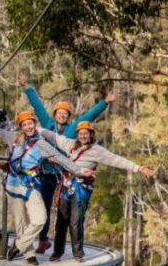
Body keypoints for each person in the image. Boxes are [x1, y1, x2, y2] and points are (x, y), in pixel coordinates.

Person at [18, 73, 118, 254]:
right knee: (44, 207)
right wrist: (26, 85)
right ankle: (42, 240)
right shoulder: (48, 124)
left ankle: (66, 247)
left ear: (68, 116)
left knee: (65, 213)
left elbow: (89, 115)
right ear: (55, 114)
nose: (62, 116)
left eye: (65, 114)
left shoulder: (73, 129)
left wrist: (105, 102)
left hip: (64, 176)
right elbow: (37, 104)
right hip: (46, 174)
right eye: (59, 113)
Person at [0, 109, 95, 265]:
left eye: (30, 124)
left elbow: (60, 159)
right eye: (25, 125)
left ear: (34, 124)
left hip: (30, 185)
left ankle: (18, 246)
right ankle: (29, 255)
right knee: (20, 222)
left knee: (40, 219)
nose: (28, 127)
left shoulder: (42, 144)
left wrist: (79, 171)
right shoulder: (14, 137)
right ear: (21, 126)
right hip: (13, 184)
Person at [40, 121, 155, 262]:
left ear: (91, 134)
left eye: (86, 134)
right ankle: (58, 251)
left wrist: (138, 168)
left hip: (81, 188)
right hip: (66, 185)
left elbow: (116, 160)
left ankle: (78, 253)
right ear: (77, 135)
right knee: (61, 221)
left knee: (76, 220)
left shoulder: (97, 151)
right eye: (81, 134)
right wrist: (35, 129)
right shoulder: (70, 144)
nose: (83, 136)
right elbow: (53, 136)